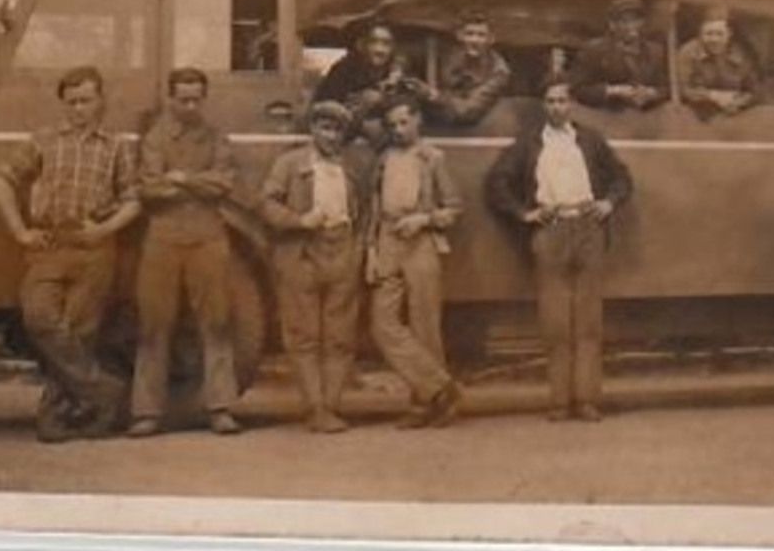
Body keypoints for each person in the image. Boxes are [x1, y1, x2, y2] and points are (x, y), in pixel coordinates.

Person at [0, 65, 141, 442]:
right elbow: (2, 180)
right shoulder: (43, 140)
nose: (79, 109)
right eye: (71, 102)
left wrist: (105, 229)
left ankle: (54, 416)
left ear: (100, 101)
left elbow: (134, 200)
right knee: (39, 317)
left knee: (79, 332)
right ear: (63, 104)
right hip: (51, 246)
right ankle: (105, 392)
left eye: (86, 100)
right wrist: (19, 231)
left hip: (95, 248)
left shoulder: (116, 147)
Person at [486, 79, 633, 421]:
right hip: (550, 232)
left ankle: (587, 400)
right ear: (543, 105)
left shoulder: (591, 141)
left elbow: (622, 177)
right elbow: (497, 182)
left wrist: (609, 203)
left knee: (588, 321)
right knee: (555, 322)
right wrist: (526, 213)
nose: (556, 106)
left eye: (562, 100)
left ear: (571, 105)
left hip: (587, 228)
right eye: (550, 101)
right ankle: (558, 402)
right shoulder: (528, 144)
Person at [127, 68, 242, 438]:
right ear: (170, 98)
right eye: (183, 98)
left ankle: (221, 408)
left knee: (217, 322)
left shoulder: (216, 137)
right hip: (163, 239)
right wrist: (195, 183)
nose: (191, 105)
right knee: (153, 325)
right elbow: (150, 187)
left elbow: (224, 183)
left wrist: (182, 179)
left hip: (209, 237)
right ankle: (146, 412)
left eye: (196, 98)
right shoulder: (155, 137)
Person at [259, 101, 368, 433]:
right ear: (312, 129)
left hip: (342, 250)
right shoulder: (289, 163)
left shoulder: (349, 166)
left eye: (337, 130)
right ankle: (315, 407)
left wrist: (356, 249)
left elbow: (361, 211)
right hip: (301, 253)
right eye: (324, 127)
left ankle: (332, 405)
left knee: (340, 335)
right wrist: (298, 220)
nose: (331, 136)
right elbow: (265, 203)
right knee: (304, 335)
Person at [366, 97, 465, 428]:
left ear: (418, 120)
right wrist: (372, 248)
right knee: (383, 324)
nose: (397, 130)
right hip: (387, 240)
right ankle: (442, 387)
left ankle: (425, 405)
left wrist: (423, 220)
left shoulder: (433, 158)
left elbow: (454, 208)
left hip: (421, 241)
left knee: (426, 326)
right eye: (392, 125)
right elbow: (374, 207)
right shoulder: (383, 158)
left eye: (403, 122)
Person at [314, 22, 425, 142]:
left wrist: (381, 100)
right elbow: (322, 115)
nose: (380, 49)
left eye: (386, 44)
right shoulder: (343, 70)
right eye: (374, 42)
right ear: (362, 45)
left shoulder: (400, 73)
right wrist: (362, 122)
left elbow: (410, 116)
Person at [570, 0, 668, 110]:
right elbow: (577, 90)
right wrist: (614, 91)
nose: (632, 26)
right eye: (625, 21)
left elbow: (667, 88)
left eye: (636, 20)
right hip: (605, 118)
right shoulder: (594, 50)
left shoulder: (656, 51)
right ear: (612, 24)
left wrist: (652, 93)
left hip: (646, 118)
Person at [426, 11, 512, 126]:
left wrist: (437, 97)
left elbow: (467, 111)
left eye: (481, 35)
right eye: (469, 34)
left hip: (483, 129)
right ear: (460, 35)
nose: (474, 40)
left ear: (491, 39)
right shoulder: (449, 55)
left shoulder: (499, 72)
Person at [675, 7, 761, 118]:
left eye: (719, 34)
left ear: (729, 34)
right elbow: (682, 90)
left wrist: (739, 102)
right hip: (696, 115)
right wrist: (713, 96)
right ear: (700, 34)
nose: (714, 39)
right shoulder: (687, 53)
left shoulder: (741, 54)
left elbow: (754, 90)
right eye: (708, 34)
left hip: (734, 113)